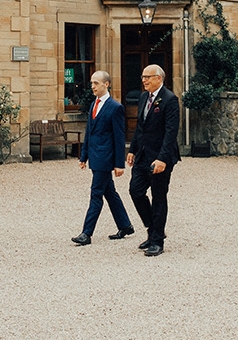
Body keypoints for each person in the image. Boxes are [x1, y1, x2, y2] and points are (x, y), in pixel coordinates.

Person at [72, 71, 135, 245]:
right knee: (110, 192)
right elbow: (89, 134)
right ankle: (125, 225)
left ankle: (86, 233)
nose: (92, 86)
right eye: (92, 83)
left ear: (106, 84)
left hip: (105, 159)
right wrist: (83, 156)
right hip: (95, 157)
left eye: (96, 83)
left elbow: (118, 137)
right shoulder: (93, 104)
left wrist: (118, 164)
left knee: (96, 194)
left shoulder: (115, 107)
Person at [127, 64, 181, 256]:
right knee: (135, 191)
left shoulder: (170, 100)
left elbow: (170, 133)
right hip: (142, 155)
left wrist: (162, 159)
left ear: (159, 78)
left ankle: (156, 241)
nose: (144, 80)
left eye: (148, 77)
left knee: (159, 197)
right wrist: (132, 149)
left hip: (160, 158)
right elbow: (140, 127)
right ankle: (153, 228)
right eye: (143, 77)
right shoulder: (143, 97)